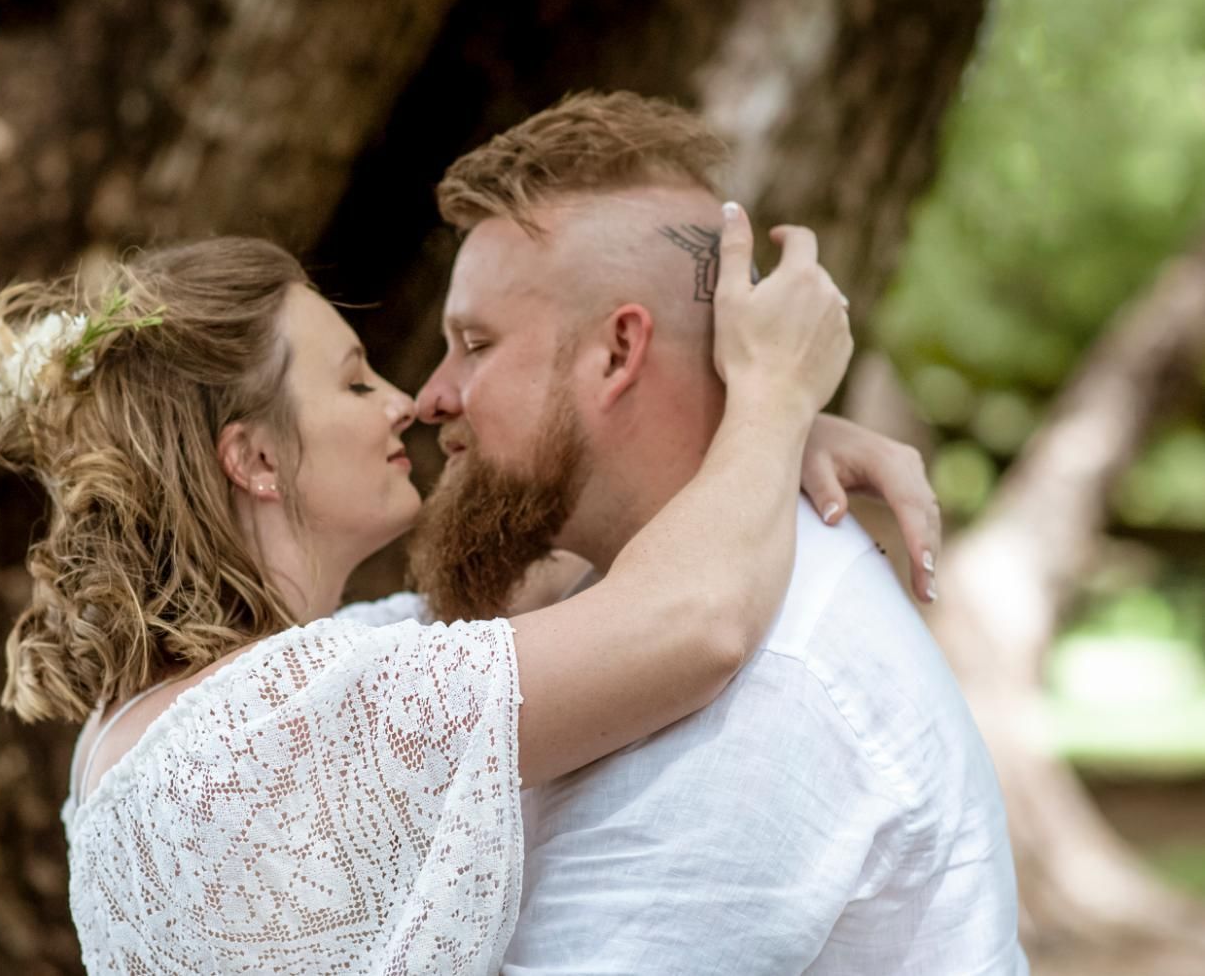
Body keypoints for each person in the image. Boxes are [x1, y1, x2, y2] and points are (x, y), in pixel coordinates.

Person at [0, 227, 928, 972]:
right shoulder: (278, 730)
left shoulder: (168, 721)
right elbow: (696, 619)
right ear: (255, 459)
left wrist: (748, 450)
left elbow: (569, 573)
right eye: (352, 382)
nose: (404, 402)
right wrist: (774, 393)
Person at [411, 90, 1027, 974]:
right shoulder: (626, 600)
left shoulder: (762, 702)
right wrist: (769, 421)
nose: (429, 395)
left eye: (473, 342)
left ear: (618, 354)